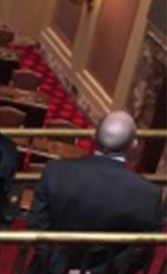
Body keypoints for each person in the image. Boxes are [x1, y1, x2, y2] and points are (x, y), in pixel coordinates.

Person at [27, 112, 163, 274]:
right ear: (133, 144)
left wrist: (60, 268)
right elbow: (140, 253)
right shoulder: (148, 195)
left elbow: (37, 226)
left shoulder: (56, 171)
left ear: (94, 135)